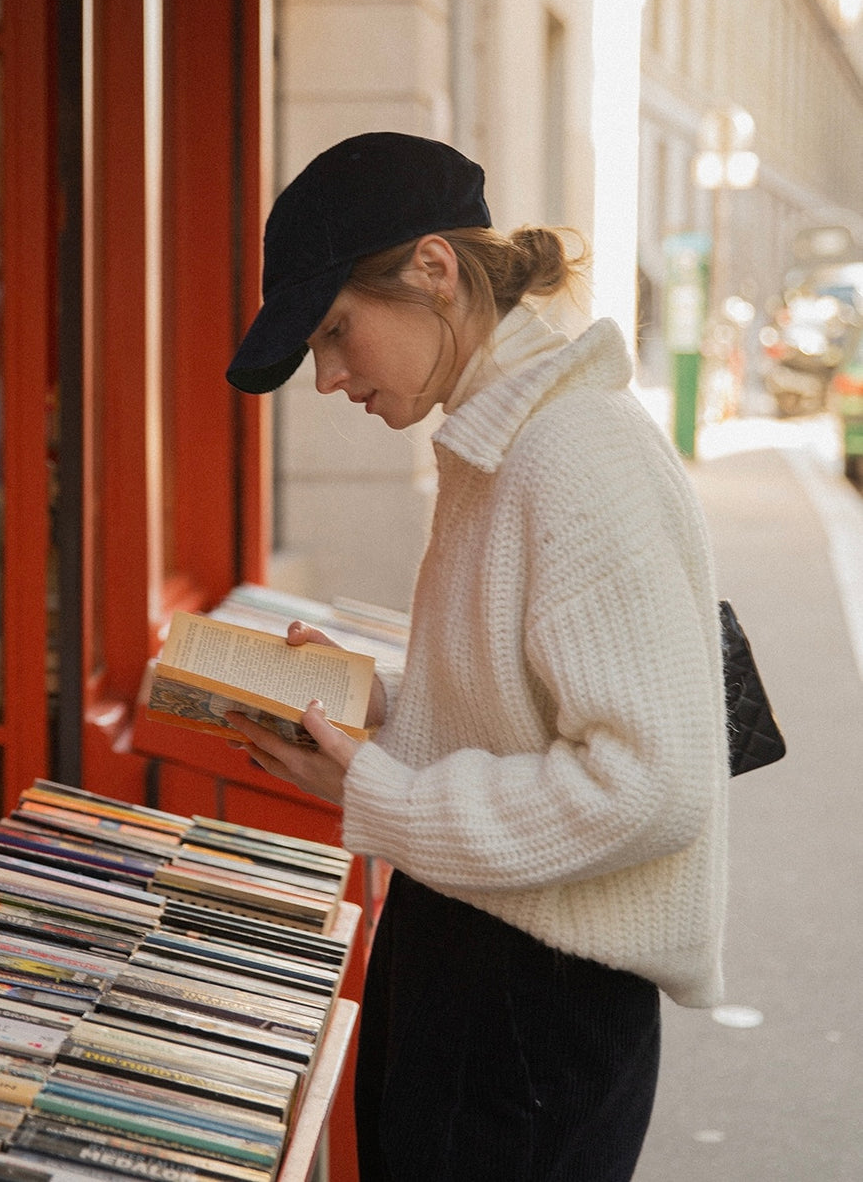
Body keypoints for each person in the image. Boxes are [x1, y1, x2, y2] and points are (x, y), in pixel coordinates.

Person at [225, 132, 729, 1182]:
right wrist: (372, 704)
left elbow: (650, 782)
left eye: (335, 332)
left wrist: (375, 789)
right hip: (489, 952)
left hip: (529, 995)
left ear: (434, 270)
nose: (326, 377)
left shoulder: (569, 454)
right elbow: (522, 706)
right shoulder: (507, 435)